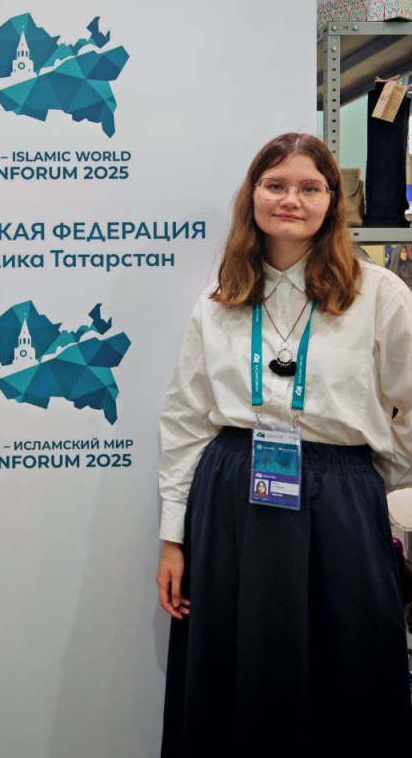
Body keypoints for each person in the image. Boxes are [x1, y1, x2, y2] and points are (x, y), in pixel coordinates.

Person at [157, 133, 412, 757]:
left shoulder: (378, 293)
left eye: (309, 187)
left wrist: (374, 486)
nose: (290, 200)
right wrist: (172, 537)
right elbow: (186, 420)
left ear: (332, 200)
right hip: (232, 493)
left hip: (342, 497)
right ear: (252, 196)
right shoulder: (218, 300)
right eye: (275, 185)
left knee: (349, 667)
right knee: (239, 668)